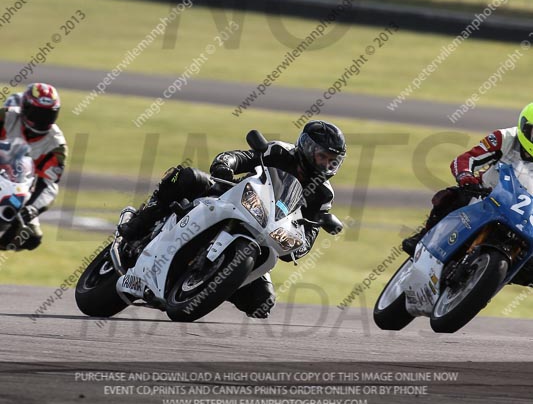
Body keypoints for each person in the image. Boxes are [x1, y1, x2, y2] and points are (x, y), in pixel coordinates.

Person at [120, 120, 347, 318]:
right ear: (307, 148)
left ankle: (209, 285)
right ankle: (140, 221)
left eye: (332, 161)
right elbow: (238, 157)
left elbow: (310, 233)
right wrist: (224, 166)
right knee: (188, 177)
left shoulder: (323, 195)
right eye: (322, 156)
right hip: (233, 197)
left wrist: (298, 246)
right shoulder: (279, 152)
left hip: (262, 231)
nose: (326, 164)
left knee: (262, 303)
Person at [402, 103, 533, 284]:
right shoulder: (505, 137)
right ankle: (424, 235)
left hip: (524, 216)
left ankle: (497, 278)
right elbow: (466, 159)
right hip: (487, 195)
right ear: (525, 128)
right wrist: (466, 176)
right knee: (454, 197)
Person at [0, 83, 67, 250]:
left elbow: (49, 184)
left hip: (20, 190)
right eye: (36, 113)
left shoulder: (56, 144)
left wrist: (31, 209)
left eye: (47, 115)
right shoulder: (5, 117)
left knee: (31, 236)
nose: (40, 120)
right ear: (25, 108)